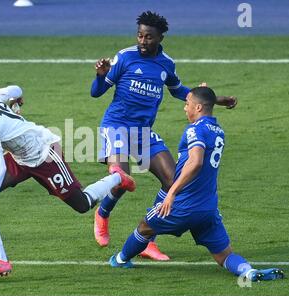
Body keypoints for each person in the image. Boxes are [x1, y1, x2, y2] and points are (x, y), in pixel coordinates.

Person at [0, 85, 136, 279]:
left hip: (44, 153)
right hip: (19, 157)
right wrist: (14, 100)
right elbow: (15, 89)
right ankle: (0, 260)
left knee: (82, 204)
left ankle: (118, 176)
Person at [90, 11, 238, 260]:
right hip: (116, 126)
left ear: (160, 38)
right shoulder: (125, 58)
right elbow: (97, 92)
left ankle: (148, 239)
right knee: (122, 178)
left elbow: (181, 92)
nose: (143, 41)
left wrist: (216, 99)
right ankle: (103, 214)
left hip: (144, 132)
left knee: (173, 182)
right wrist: (101, 75)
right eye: (140, 35)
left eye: (149, 37)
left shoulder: (166, 64)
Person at [109, 86, 284, 282]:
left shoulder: (195, 129)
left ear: (198, 107)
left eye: (188, 103)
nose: (185, 108)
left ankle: (120, 259)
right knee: (224, 255)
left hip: (183, 205)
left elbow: (196, 161)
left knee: (145, 227)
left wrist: (172, 193)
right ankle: (248, 271)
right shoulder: (218, 131)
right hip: (207, 208)